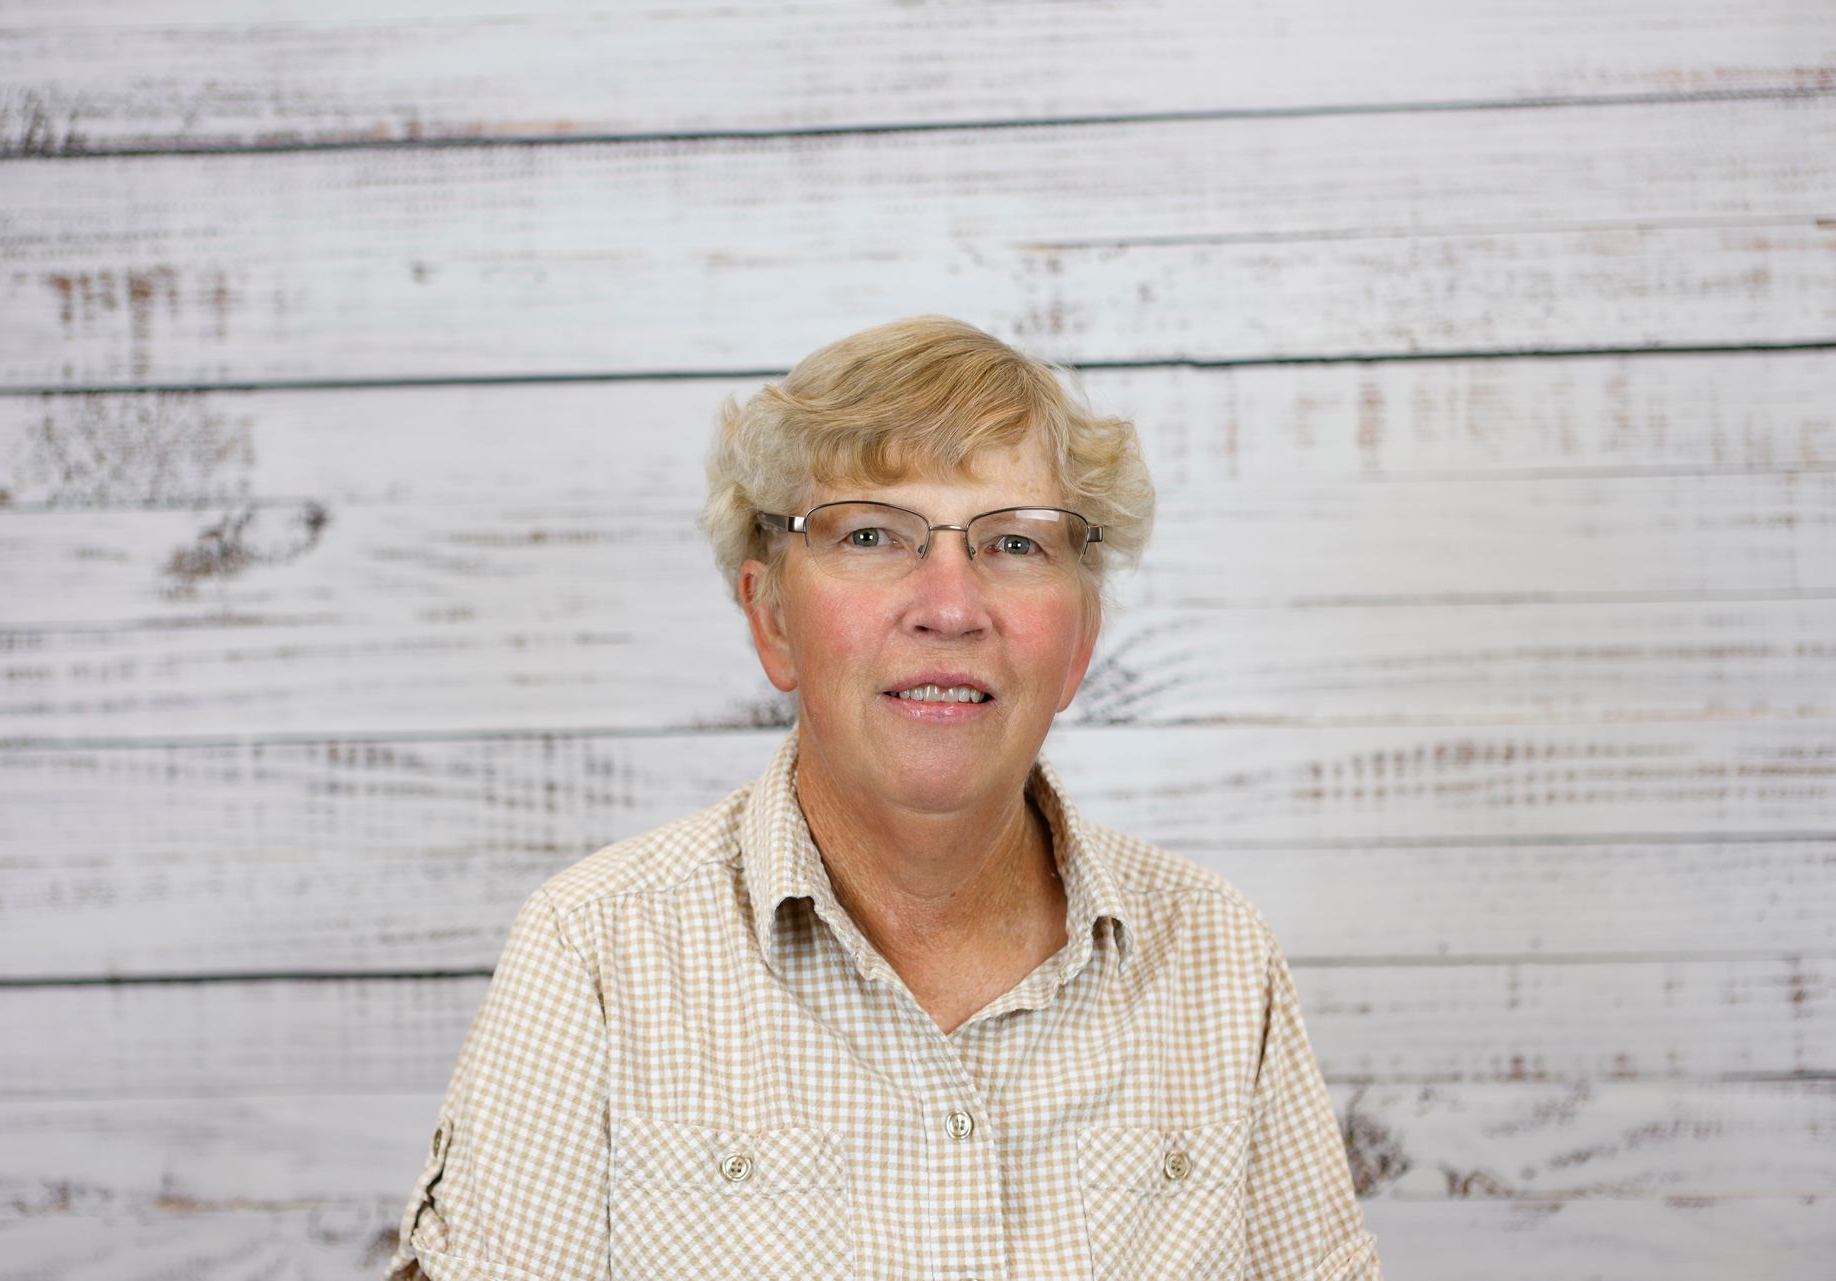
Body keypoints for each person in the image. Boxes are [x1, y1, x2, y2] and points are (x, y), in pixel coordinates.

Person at [383, 316, 1381, 1279]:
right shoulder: (597, 953)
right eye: (872, 535)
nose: (950, 607)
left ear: (1080, 641)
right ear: (773, 619)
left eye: (1015, 544)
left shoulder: (1216, 957)